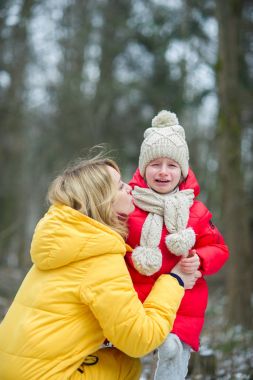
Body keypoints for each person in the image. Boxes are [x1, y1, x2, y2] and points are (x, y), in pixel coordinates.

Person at [0, 153, 201, 380]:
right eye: (120, 186)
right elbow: (140, 340)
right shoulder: (100, 257)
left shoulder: (64, 240)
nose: (129, 189)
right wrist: (175, 281)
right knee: (125, 363)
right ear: (103, 200)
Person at [125, 110, 229, 379]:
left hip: (182, 305)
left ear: (182, 172)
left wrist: (201, 259)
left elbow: (219, 249)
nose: (163, 172)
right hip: (137, 303)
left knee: (174, 359)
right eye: (155, 164)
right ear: (142, 168)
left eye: (171, 165)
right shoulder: (127, 206)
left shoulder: (195, 211)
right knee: (123, 359)